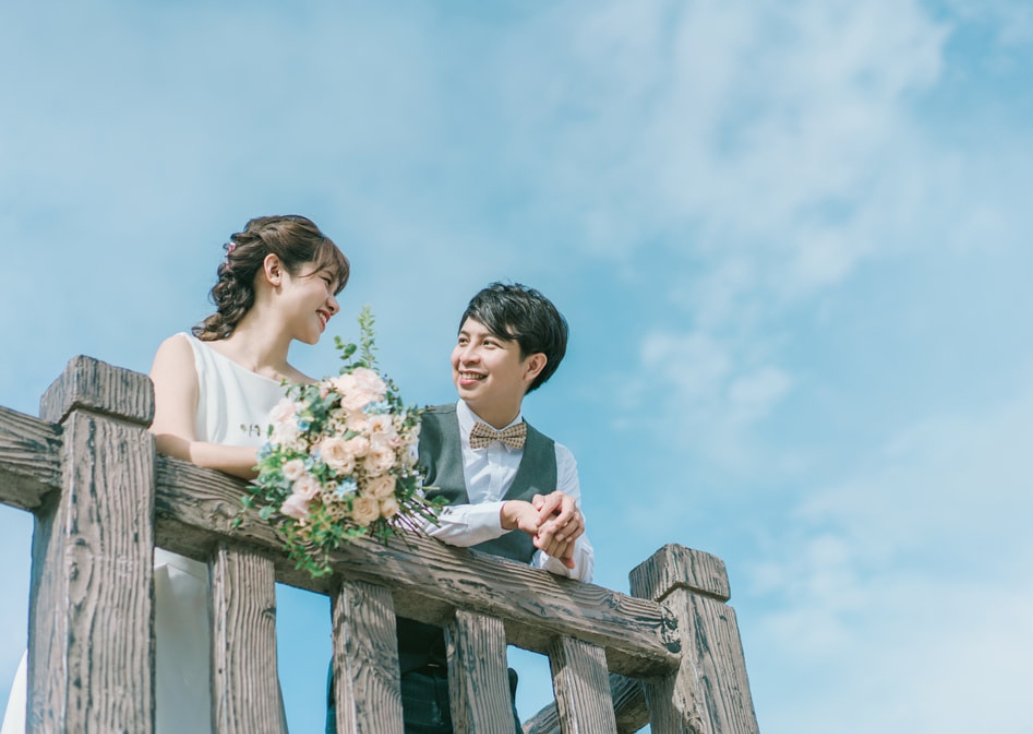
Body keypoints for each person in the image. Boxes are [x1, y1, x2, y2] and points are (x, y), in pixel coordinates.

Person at [0, 214, 349, 734]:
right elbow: (169, 444)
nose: (335, 302)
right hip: (154, 585)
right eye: (326, 281)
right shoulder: (187, 353)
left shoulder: (322, 399)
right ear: (274, 270)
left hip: (246, 609)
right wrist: (274, 463)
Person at [326, 282, 593, 734]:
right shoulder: (408, 430)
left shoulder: (558, 460)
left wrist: (560, 545)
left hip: (485, 680)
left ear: (533, 364)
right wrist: (506, 514)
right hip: (382, 665)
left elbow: (576, 569)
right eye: (463, 340)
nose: (466, 356)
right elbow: (407, 521)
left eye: (488, 343)